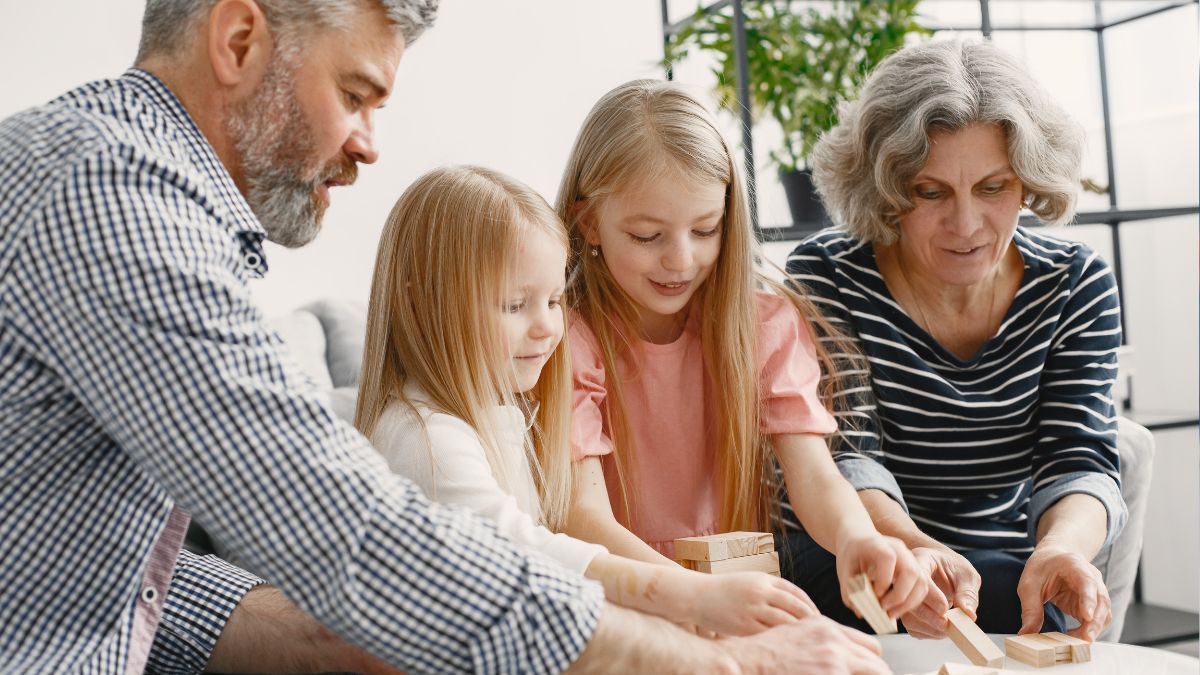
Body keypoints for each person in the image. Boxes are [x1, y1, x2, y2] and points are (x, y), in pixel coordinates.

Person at [0, 0, 891, 672]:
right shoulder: (107, 196)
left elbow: (93, 572)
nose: (370, 144)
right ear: (238, 41)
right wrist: (721, 662)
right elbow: (342, 526)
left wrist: (325, 638)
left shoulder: (126, 193)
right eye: (356, 94)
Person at [356, 164, 819, 637]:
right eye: (515, 305)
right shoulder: (426, 440)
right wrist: (691, 595)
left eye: (554, 301)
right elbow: (526, 554)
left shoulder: (496, 418)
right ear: (420, 305)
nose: (547, 328)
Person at [556, 79, 933, 628]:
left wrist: (857, 536)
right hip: (617, 599)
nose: (680, 261)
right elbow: (581, 517)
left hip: (733, 590)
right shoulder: (566, 339)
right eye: (646, 236)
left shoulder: (763, 325)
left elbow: (815, 477)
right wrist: (692, 598)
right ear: (589, 222)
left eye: (705, 229)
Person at [785, 39, 1127, 641]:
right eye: (931, 192)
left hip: (995, 564)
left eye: (993, 188)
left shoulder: (1075, 283)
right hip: (849, 553)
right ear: (886, 190)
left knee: (1009, 595)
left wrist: (1062, 549)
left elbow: (1079, 455)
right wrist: (914, 550)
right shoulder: (826, 275)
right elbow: (847, 456)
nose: (966, 226)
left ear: (1029, 181)